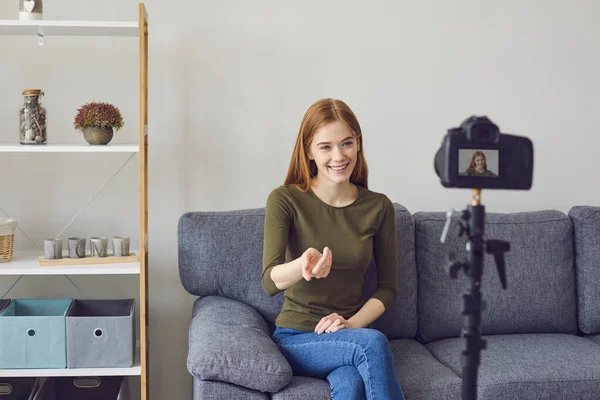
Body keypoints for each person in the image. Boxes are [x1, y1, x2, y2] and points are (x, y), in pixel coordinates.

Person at [261, 98, 405, 400]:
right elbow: (269, 281)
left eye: (347, 143)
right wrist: (302, 266)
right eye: (325, 146)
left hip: (348, 335)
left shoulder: (378, 207)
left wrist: (351, 325)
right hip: (296, 338)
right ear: (309, 152)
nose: (338, 156)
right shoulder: (285, 200)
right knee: (373, 344)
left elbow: (388, 289)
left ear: (358, 145)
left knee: (351, 384)